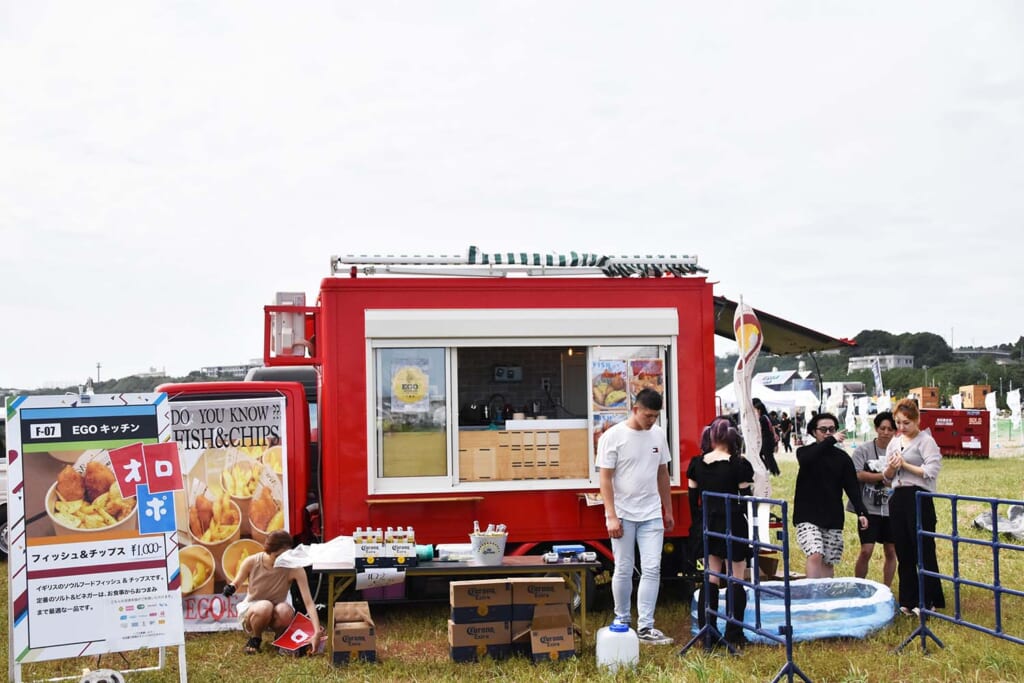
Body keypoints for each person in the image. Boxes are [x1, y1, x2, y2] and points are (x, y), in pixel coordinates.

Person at [598, 388, 675, 645]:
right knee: (622, 567)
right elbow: (605, 478)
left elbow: (662, 473)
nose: (651, 420)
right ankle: (622, 619)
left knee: (652, 568)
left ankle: (646, 626)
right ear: (635, 409)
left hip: (651, 512)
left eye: (655, 416)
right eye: (648, 415)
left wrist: (669, 509)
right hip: (623, 513)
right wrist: (611, 515)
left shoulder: (658, 435)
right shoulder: (613, 436)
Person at [688, 418, 754, 647]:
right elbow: (746, 499)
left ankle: (709, 633)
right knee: (736, 577)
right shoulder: (739, 465)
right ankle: (734, 634)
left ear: (712, 437)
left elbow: (692, 502)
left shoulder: (697, 464)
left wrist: (700, 523)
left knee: (711, 576)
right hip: (733, 522)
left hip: (708, 524)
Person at [883, 398, 945, 614]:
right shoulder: (894, 442)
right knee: (904, 550)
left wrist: (905, 464)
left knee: (923, 549)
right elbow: (886, 476)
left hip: (918, 496)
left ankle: (929, 599)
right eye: (898, 423)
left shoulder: (925, 441)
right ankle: (908, 600)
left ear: (916, 420)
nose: (901, 428)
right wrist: (891, 468)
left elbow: (931, 471)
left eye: (906, 423)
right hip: (898, 496)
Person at [793, 413, 869, 578]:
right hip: (807, 514)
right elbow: (806, 460)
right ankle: (813, 595)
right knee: (815, 553)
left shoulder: (842, 458)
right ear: (814, 432)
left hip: (832, 516)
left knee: (829, 560)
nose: (828, 433)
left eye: (832, 429)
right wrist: (831, 440)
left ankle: (826, 597)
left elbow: (852, 487)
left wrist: (861, 511)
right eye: (823, 430)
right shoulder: (805, 452)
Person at [225, 529, 322, 655]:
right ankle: (256, 638)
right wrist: (231, 588)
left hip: (276, 610)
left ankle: (280, 638)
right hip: (253, 610)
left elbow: (308, 602)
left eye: (285, 556)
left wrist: (316, 632)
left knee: (285, 610)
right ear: (268, 551)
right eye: (277, 556)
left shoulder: (294, 568)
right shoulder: (252, 561)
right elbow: (236, 582)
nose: (281, 560)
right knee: (265, 606)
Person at [847, 411, 897, 585]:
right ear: (876, 429)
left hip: (891, 508)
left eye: (890, 429)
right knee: (866, 550)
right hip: (868, 507)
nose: (886, 432)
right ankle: (859, 586)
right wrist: (884, 476)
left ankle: (887, 588)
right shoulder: (863, 450)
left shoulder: (899, 451)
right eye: (882, 428)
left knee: (891, 551)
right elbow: (857, 474)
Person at [752, 398, 781, 475]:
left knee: (767, 456)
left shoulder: (762, 418)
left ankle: (773, 471)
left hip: (766, 439)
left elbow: (760, 429)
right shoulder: (767, 416)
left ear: (759, 410)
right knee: (765, 455)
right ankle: (772, 470)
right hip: (769, 438)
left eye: (756, 410)